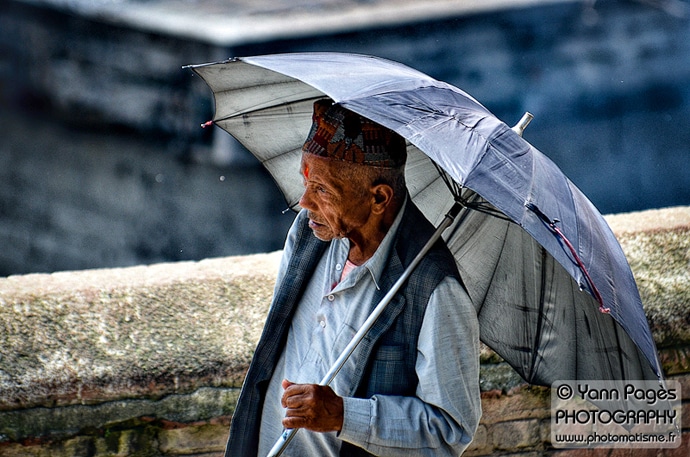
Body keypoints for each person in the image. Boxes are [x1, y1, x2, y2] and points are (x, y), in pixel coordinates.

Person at [225, 99, 481, 456]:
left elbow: (449, 431)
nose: (304, 203)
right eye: (306, 181)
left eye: (323, 191)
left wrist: (343, 415)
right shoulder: (309, 234)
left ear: (378, 198)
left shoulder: (434, 289)